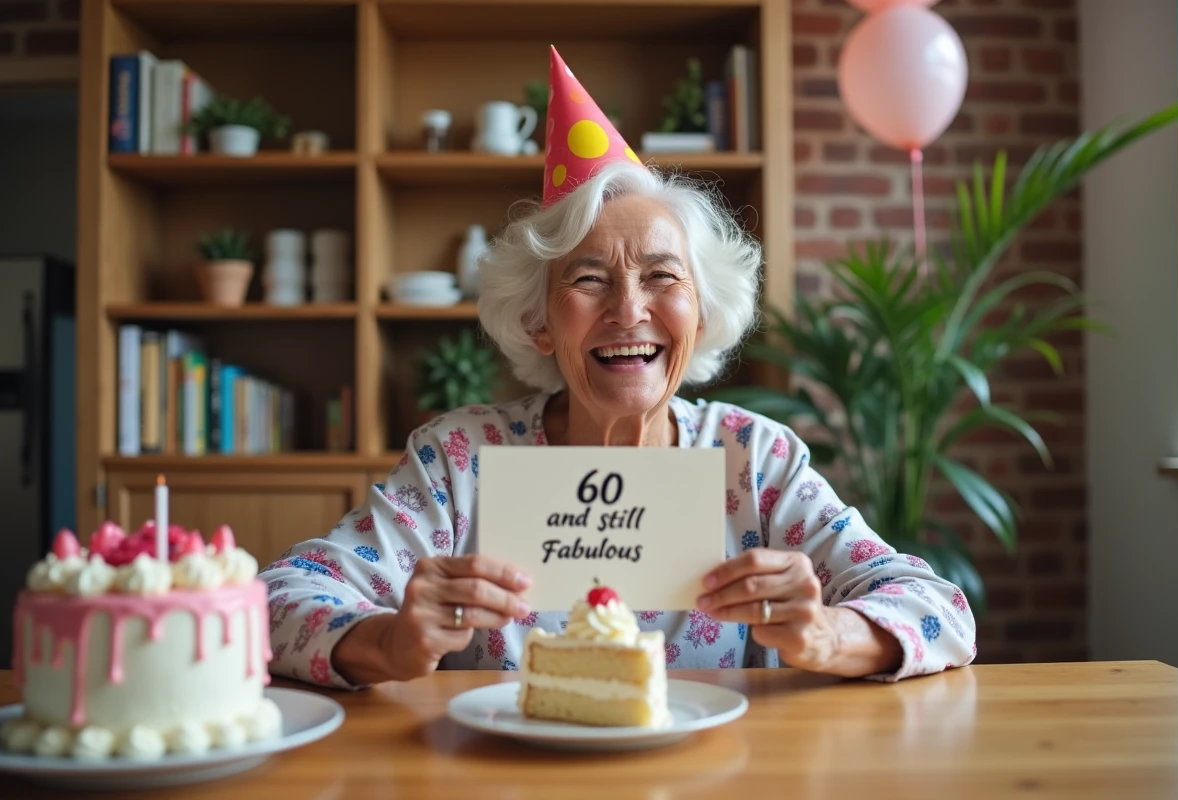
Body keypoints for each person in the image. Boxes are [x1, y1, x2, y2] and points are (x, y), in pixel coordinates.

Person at [261, 47, 975, 689]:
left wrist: (828, 633)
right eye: (589, 278)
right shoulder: (462, 460)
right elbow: (273, 599)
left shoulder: (754, 461)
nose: (629, 310)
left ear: (701, 315)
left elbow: (940, 610)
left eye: (663, 277)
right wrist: (386, 640)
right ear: (539, 323)